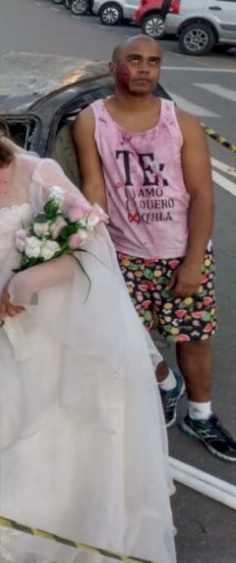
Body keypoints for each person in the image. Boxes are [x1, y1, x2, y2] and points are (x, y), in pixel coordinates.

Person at [0, 81, 175, 563]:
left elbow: (92, 246)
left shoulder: (36, 173)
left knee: (75, 430)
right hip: (3, 341)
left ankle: (85, 536)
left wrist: (31, 278)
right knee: (19, 433)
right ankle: (23, 543)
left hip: (64, 330)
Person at [73, 35, 236, 461]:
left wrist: (194, 260)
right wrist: (99, 249)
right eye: (134, 60)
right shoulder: (92, 122)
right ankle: (165, 385)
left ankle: (200, 416)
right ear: (114, 68)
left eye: (153, 62)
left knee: (194, 338)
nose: (145, 68)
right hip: (126, 254)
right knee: (131, 341)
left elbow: (202, 194)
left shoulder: (180, 122)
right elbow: (96, 186)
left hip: (182, 251)